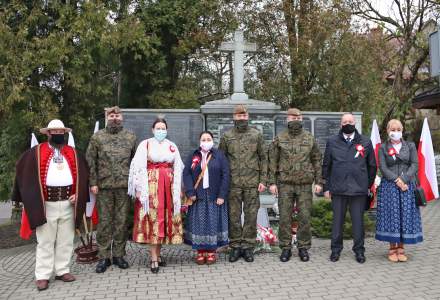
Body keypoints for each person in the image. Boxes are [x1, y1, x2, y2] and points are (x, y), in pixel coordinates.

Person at [12, 120, 89, 291]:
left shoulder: (74, 153)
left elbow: (84, 176)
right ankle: (43, 275)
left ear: (64, 132)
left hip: (69, 203)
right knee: (45, 242)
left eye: (60, 131)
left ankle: (62, 270)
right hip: (46, 205)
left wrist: (80, 193)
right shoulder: (35, 153)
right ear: (47, 133)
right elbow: (22, 172)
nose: (57, 134)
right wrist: (32, 197)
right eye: (54, 131)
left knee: (66, 240)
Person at [128, 117, 184, 273]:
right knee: (153, 219)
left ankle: (158, 256)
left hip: (168, 187)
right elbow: (137, 167)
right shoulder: (145, 144)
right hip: (151, 187)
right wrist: (139, 189)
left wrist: (178, 188)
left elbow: (178, 166)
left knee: (163, 220)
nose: (161, 131)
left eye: (163, 128)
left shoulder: (171, 146)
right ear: (152, 130)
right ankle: (153, 258)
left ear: (167, 130)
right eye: (158, 128)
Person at [86, 106, 137, 273]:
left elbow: (135, 162)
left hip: (124, 187)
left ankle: (119, 255)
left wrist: (135, 184)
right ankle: (103, 257)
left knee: (121, 222)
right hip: (104, 187)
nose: (115, 117)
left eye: (118, 115)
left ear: (122, 117)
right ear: (107, 117)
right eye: (112, 115)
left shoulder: (130, 137)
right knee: (105, 223)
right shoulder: (97, 137)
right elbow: (90, 160)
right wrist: (93, 182)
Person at [268, 108, 323, 262]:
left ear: (301, 118)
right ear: (287, 119)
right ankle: (285, 248)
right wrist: (271, 182)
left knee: (305, 217)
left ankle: (303, 247)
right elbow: (272, 162)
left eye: (297, 117)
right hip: (285, 184)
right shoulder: (279, 138)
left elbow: (317, 160)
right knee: (285, 217)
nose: (295, 119)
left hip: (305, 184)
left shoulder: (309, 138)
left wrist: (319, 181)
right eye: (292, 117)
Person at [322, 113, 376, 264]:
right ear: (341, 125)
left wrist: (367, 185)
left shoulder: (365, 141)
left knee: (358, 223)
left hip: (358, 190)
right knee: (337, 223)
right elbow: (326, 165)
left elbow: (372, 166)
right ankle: (335, 250)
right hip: (338, 189)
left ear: (355, 123)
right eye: (345, 122)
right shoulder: (332, 141)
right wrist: (326, 187)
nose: (348, 124)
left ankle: (359, 251)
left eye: (350, 121)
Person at [219, 104, 267, 263]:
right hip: (233, 183)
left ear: (248, 117)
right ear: (234, 117)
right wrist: (222, 183)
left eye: (244, 115)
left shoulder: (256, 135)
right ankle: (235, 246)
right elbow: (221, 160)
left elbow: (263, 158)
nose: (242, 118)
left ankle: (247, 247)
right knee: (234, 216)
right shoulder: (226, 136)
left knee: (251, 215)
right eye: (239, 116)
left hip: (252, 183)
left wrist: (263, 180)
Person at [375, 119, 422, 262]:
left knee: (404, 215)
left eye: (398, 129)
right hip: (389, 186)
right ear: (388, 131)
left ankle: (401, 248)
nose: (395, 132)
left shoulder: (410, 146)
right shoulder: (383, 147)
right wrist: (396, 180)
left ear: (402, 130)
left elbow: (414, 164)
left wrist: (404, 179)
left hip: (407, 185)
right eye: (392, 130)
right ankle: (392, 248)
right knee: (392, 216)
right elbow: (383, 167)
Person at [183, 131, 230, 265]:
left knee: (213, 223)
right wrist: (190, 192)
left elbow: (226, 175)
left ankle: (211, 252)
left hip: (215, 196)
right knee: (199, 224)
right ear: (199, 141)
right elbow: (186, 173)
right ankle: (200, 251)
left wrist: (222, 195)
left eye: (208, 139)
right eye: (203, 139)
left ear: (213, 141)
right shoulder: (193, 155)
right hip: (198, 197)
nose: (206, 141)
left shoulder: (219, 155)